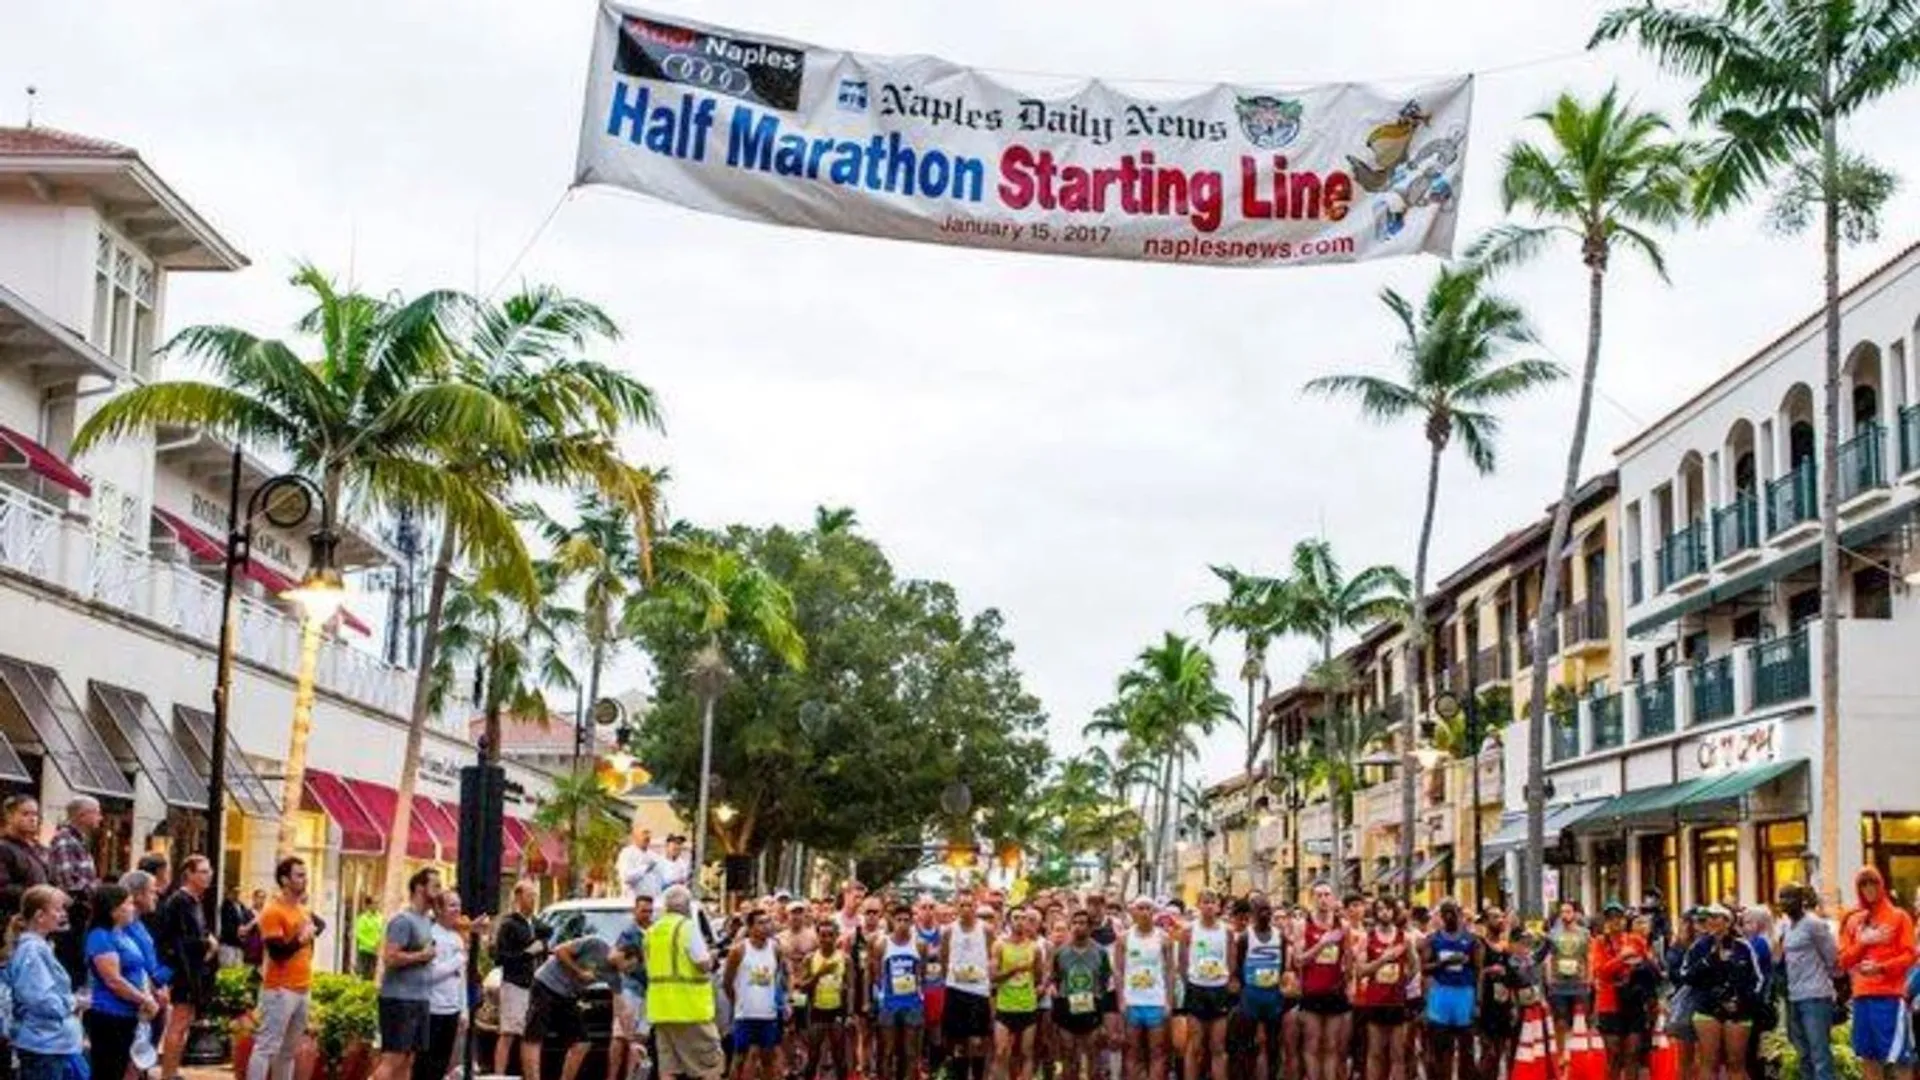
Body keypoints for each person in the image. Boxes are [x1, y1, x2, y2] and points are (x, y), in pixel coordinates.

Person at [1839, 867, 1916, 1080]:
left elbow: (1910, 956)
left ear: (1881, 884)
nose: (1868, 888)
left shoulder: (1899, 916)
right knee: (1867, 1056)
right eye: (1863, 884)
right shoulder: (1854, 920)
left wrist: (1881, 967)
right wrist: (1864, 942)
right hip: (1862, 997)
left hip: (1889, 997)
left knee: (1900, 1058)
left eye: (1872, 882)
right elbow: (1844, 960)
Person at [251, 857, 323, 1080]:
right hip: (280, 988)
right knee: (266, 1047)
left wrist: (309, 933)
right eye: (299, 875)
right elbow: (278, 953)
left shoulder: (301, 909)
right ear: (285, 880)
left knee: (289, 1051)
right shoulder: (273, 911)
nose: (305, 879)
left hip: (302, 987)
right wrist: (301, 939)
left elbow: (319, 925)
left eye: (305, 874)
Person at [370, 869, 442, 1080]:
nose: (439, 892)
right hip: (399, 999)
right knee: (393, 1058)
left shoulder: (426, 921)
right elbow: (390, 958)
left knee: (409, 1059)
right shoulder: (402, 921)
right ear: (420, 888)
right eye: (435, 886)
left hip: (420, 998)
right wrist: (421, 956)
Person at [7, 884, 84, 1080]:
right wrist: (73, 1002)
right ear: (40, 916)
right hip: (42, 1045)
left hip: (50, 1043)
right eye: (57, 909)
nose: (62, 914)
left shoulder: (41, 947)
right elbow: (41, 999)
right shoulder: (32, 951)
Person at [649, 884, 723, 1080]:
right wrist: (713, 957)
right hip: (690, 1010)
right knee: (709, 1065)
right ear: (688, 907)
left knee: (669, 1068)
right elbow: (702, 963)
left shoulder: (652, 931)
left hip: (661, 1010)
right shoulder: (687, 927)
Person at [85, 882, 158, 1080]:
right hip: (110, 1014)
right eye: (128, 904)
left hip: (130, 1014)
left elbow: (138, 968)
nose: (132, 908)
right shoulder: (100, 936)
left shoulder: (123, 934)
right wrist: (144, 999)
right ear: (114, 910)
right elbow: (113, 980)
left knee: (128, 1069)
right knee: (109, 1070)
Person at [1681, 905, 1764, 1080]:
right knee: (1708, 1061)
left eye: (1717, 917)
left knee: (1736, 1062)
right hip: (1707, 1008)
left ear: (1728, 922)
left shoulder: (1743, 947)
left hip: (1738, 1009)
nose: (1711, 921)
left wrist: (1741, 1001)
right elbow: (1686, 976)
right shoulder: (1699, 947)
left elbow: (1758, 979)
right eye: (1709, 917)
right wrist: (1708, 960)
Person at [157, 854, 217, 1080]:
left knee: (185, 1023)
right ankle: (168, 1073)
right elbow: (177, 940)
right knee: (179, 1023)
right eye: (202, 871)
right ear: (189, 874)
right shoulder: (180, 901)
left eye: (208, 870)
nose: (208, 875)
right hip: (183, 971)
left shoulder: (195, 901)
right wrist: (206, 944)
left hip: (194, 970)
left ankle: (172, 1071)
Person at [1778, 884, 1839, 1080]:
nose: (1785, 903)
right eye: (1782, 898)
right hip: (1794, 995)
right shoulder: (1787, 926)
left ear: (1801, 900)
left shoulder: (1814, 924)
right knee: (1803, 1054)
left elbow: (1831, 957)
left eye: (1789, 897)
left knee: (1819, 1053)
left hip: (1815, 996)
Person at [1591, 900, 1655, 1080]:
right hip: (1609, 1004)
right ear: (1605, 921)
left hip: (1634, 1002)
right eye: (1610, 917)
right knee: (1614, 1054)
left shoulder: (1635, 940)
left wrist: (1639, 967)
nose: (1615, 921)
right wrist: (1622, 958)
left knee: (1633, 1052)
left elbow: (1651, 969)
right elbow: (1601, 972)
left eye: (1618, 917)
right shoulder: (1599, 942)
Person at [1296, 882, 1353, 1080]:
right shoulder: (1303, 924)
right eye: (1319, 895)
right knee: (1312, 1044)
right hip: (1312, 991)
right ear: (1313, 898)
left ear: (1333, 898)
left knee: (1331, 1045)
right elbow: (1299, 960)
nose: (1323, 899)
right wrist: (1322, 944)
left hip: (1334, 991)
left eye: (1327, 895)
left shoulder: (1343, 926)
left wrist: (1350, 985)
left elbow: (1348, 959)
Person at [1356, 898, 1417, 1080]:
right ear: (1375, 913)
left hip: (1397, 1001)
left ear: (1394, 912)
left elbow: (1415, 966)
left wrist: (1404, 980)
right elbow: (1360, 971)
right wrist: (1383, 960)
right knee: (1375, 1052)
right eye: (1380, 909)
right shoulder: (1368, 938)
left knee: (1397, 1053)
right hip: (1375, 1001)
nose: (1384, 912)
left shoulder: (1404, 938)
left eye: (1388, 908)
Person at [490, 880, 547, 1077]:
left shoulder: (536, 924)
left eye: (535, 896)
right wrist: (527, 953)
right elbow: (500, 958)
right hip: (515, 984)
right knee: (508, 1032)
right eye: (529, 895)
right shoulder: (509, 925)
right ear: (518, 897)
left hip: (534, 985)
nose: (533, 900)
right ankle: (499, 1074)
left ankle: (529, 1073)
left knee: (528, 1034)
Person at [413, 892, 471, 1080]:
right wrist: (459, 959)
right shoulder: (430, 935)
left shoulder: (457, 938)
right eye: (452, 905)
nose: (457, 910)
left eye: (458, 905)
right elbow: (430, 974)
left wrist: (463, 1010)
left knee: (442, 1063)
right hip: (431, 1009)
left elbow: (461, 979)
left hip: (451, 1010)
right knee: (424, 1063)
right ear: (438, 909)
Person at [1116, 895, 1174, 1080]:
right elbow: (1118, 970)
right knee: (1133, 1051)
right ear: (1133, 911)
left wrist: (1168, 1001)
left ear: (1154, 912)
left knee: (1157, 1051)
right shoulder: (1124, 938)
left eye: (1148, 908)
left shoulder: (1163, 938)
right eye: (1140, 908)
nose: (1145, 912)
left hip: (1155, 1001)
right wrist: (1121, 1000)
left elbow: (1170, 971)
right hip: (1133, 1001)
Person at [1053, 907, 1113, 1080]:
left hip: (1092, 1006)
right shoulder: (1060, 952)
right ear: (1070, 925)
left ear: (1090, 927)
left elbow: (1105, 978)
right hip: (1067, 1006)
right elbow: (1056, 978)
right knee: (1068, 1054)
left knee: (1092, 1054)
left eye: (1083, 923)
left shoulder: (1100, 952)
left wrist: (1099, 1002)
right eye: (1075, 923)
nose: (1079, 926)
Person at [725, 909, 786, 1080]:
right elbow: (727, 982)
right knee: (739, 1058)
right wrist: (737, 1002)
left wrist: (784, 1002)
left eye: (768, 922)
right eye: (760, 923)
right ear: (750, 927)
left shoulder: (776, 948)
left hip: (768, 1014)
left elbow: (779, 977)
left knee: (768, 1057)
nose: (766, 927)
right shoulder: (738, 951)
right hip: (745, 1015)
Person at [1420, 899, 1477, 1080]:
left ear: (1459, 915)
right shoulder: (1433, 939)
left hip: (1464, 993)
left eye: (1453, 913)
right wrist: (1444, 962)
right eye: (1445, 913)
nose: (1449, 917)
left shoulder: (1471, 940)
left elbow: (1479, 971)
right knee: (1441, 1047)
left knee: (1466, 1047)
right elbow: (1424, 968)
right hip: (1441, 994)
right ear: (1441, 917)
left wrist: (1479, 1001)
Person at [45, 797, 98, 990]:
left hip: (80, 914)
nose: (100, 818)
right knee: (69, 965)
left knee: (77, 965)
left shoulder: (78, 840)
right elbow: (68, 882)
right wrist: (96, 893)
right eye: (97, 812)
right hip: (69, 915)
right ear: (83, 815)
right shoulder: (64, 839)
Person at [1232, 895, 1285, 1080]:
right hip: (1251, 996)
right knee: (1246, 1044)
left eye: (1267, 910)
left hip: (1273, 995)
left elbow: (1283, 964)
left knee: (1273, 1045)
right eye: (1260, 910)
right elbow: (1238, 965)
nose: (1265, 914)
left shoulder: (1280, 936)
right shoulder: (1246, 937)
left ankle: (1272, 1075)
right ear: (1252, 914)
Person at [1180, 890, 1231, 1080]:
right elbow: (1182, 961)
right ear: (1199, 905)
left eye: (1212, 902)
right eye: (1205, 902)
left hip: (1218, 989)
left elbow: (1231, 959)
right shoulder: (1189, 930)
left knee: (1218, 1045)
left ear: (1218, 906)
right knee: (1195, 1045)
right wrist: (1190, 981)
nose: (1209, 906)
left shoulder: (1226, 930)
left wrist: (1227, 978)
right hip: (1197, 988)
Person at [942, 900, 995, 1080]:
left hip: (978, 992)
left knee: (978, 1041)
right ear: (957, 908)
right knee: (959, 1042)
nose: (966, 908)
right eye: (962, 905)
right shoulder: (949, 931)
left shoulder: (986, 930)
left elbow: (992, 957)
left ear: (975, 908)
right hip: (956, 990)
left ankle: (979, 1075)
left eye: (970, 905)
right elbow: (944, 960)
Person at [1542, 900, 1593, 1071]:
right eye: (1562, 912)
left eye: (1569, 912)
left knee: (1580, 1020)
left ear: (1576, 914)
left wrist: (1589, 978)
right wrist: (1549, 978)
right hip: (1559, 983)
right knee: (1560, 1021)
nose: (1566, 915)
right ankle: (1561, 1053)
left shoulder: (1584, 934)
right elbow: (1549, 956)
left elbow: (1588, 956)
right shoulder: (1553, 934)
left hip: (1579, 982)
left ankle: (1578, 1051)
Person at [613, 893, 656, 1080]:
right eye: (643, 911)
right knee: (620, 1037)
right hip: (631, 989)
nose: (647, 915)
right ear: (635, 911)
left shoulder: (655, 932)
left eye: (650, 911)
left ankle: (632, 1076)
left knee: (640, 1038)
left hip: (649, 992)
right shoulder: (628, 934)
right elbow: (623, 961)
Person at [992, 906, 1039, 1080]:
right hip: (1005, 1006)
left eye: (1023, 918)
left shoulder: (1034, 948)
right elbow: (993, 977)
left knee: (1027, 1053)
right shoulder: (999, 945)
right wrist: (1015, 969)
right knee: (1000, 1052)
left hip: (1027, 1006)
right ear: (1009, 921)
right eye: (1016, 917)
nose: (1020, 922)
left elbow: (1039, 977)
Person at [0, 796, 50, 918]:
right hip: (13, 919)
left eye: (35, 814)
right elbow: (3, 888)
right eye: (25, 814)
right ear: (9, 816)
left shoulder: (39, 849)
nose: (33, 819)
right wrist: (39, 893)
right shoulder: (4, 847)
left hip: (39, 918)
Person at [618, 824, 662, 901]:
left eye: (648, 833)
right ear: (635, 836)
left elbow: (658, 879)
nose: (647, 836)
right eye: (644, 833)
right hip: (633, 901)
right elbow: (626, 877)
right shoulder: (627, 853)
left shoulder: (654, 856)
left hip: (652, 901)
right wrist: (645, 868)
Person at [218, 885, 258, 970]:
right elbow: (227, 924)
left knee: (238, 970)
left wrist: (246, 931)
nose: (237, 895)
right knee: (227, 969)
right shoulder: (226, 905)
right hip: (228, 943)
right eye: (234, 892)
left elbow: (248, 920)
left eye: (239, 892)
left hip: (239, 944)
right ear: (229, 893)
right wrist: (238, 931)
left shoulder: (241, 906)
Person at [353, 897, 383, 980]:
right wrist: (371, 944)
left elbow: (382, 931)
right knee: (363, 973)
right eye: (374, 903)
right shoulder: (363, 918)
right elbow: (359, 934)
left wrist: (379, 943)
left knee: (372, 974)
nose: (376, 905)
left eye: (377, 903)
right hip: (364, 950)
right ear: (368, 905)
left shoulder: (380, 917)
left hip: (375, 951)